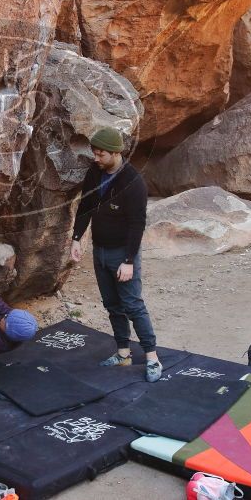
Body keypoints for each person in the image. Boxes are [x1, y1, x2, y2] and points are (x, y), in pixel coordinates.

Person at [69, 127, 162, 382]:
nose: (96, 159)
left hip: (122, 252)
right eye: (94, 154)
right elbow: (86, 206)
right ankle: (123, 353)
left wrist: (129, 261)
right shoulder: (94, 173)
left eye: (100, 154)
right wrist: (76, 238)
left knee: (132, 304)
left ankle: (152, 357)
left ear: (115, 152)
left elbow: (137, 223)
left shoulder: (133, 182)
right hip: (100, 250)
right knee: (112, 305)